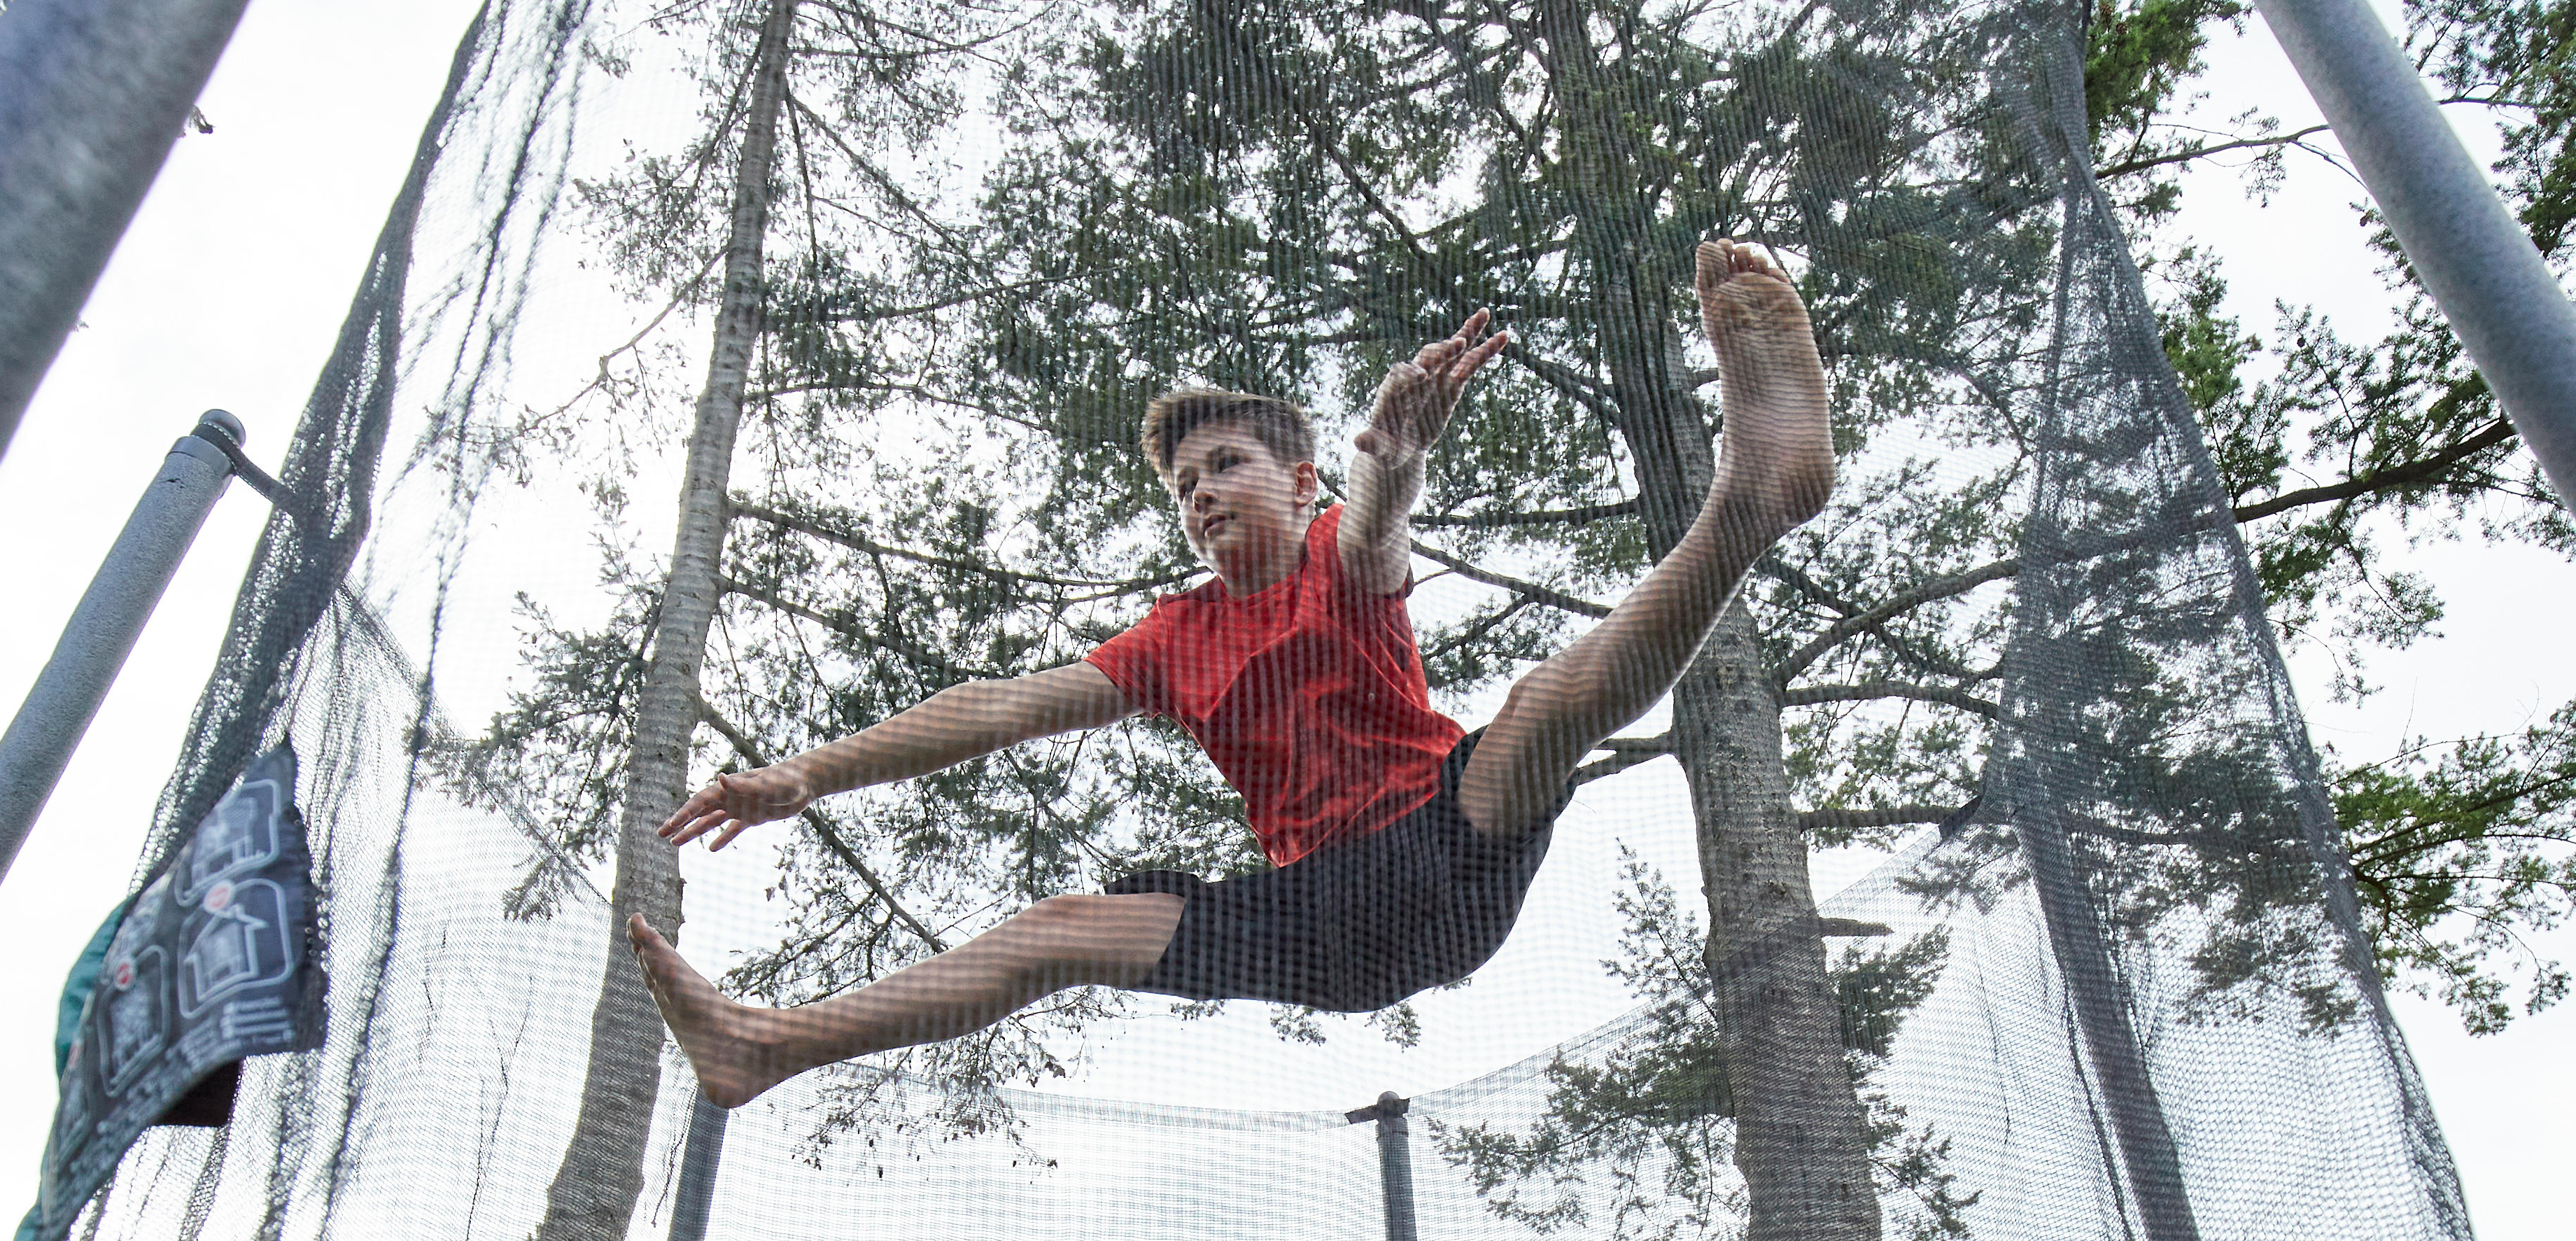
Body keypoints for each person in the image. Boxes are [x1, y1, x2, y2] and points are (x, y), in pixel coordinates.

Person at [630, 239, 1833, 1108]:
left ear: (1300, 476)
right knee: (1059, 929)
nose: (1201, 495)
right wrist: (803, 775)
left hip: (1448, 844)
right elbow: (995, 709)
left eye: (1225, 466)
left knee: (1540, 708)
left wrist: (1397, 460)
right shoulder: (1170, 643)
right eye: (1183, 489)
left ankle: (1753, 496)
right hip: (1318, 922)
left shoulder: (1336, 553)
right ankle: (770, 1045)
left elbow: (1376, 533)